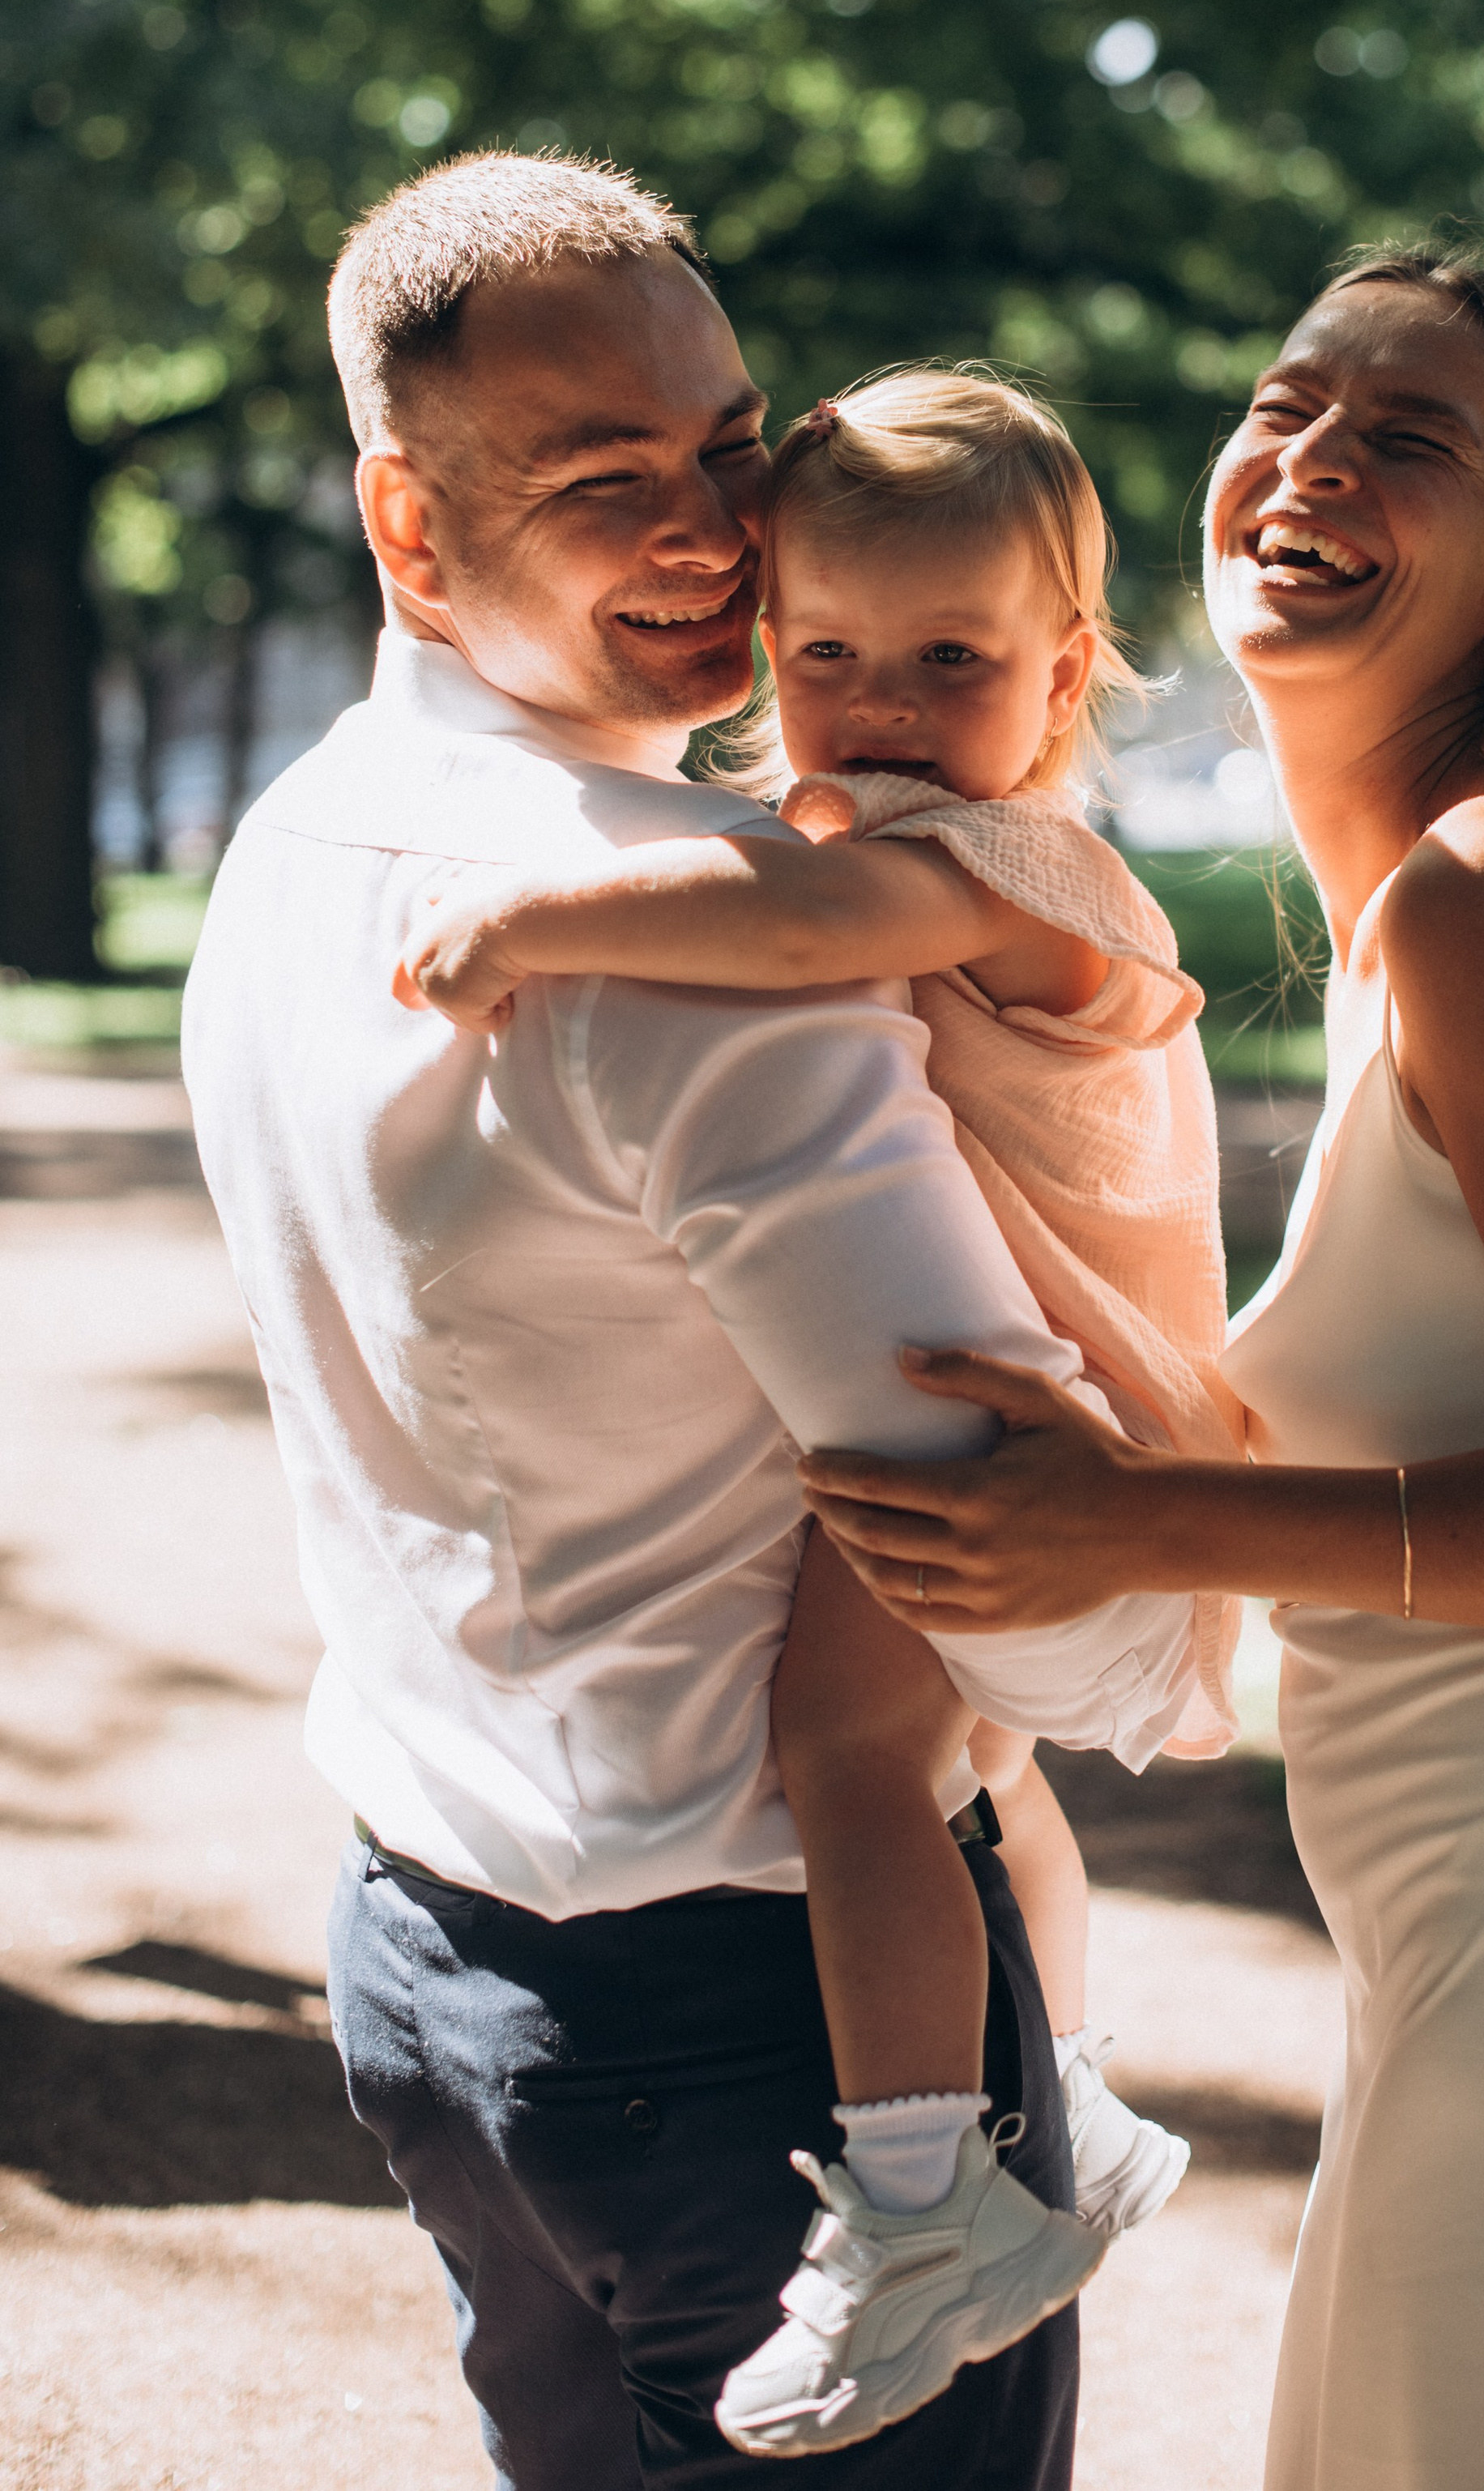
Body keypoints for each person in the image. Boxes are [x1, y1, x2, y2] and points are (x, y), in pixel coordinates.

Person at [794, 250, 1484, 2491]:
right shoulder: (1422, 894)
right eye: (1293, 405)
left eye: (1409, 440)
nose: (1308, 458)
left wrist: (1138, 1517)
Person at [180, 150, 1203, 2491]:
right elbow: (1004, 1552)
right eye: (605, 479)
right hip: (764, 2036)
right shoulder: (702, 928)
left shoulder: (285, 850)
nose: (721, 534)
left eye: (733, 445)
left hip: (428, 1962)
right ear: (410, 526)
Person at [395, 371, 1241, 2452]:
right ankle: (1077, 2093)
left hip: (1066, 1430)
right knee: (986, 1782)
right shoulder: (911, 816)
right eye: (826, 650)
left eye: (949, 659)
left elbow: (797, 924)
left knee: (852, 1750)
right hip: (1060, 1395)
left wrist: (532, 916)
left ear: (1060, 683)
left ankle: (923, 2199)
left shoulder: (1007, 860)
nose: (873, 701)